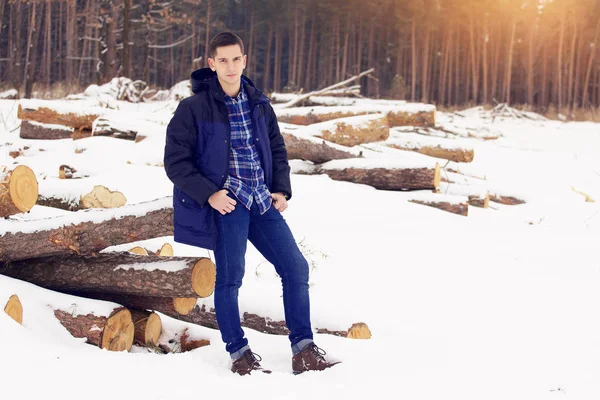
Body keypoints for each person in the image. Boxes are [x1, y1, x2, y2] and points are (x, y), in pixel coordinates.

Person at [164, 32, 339, 375]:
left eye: (236, 59)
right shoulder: (193, 109)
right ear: (212, 64)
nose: (230, 67)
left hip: (261, 199)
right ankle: (239, 354)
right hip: (228, 202)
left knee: (295, 268)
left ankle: (303, 349)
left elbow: (276, 149)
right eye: (223, 60)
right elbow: (176, 161)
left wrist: (281, 189)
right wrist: (209, 194)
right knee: (230, 279)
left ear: (245, 60)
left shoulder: (259, 102)